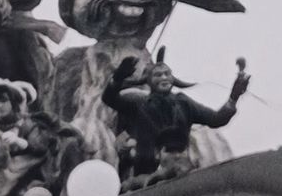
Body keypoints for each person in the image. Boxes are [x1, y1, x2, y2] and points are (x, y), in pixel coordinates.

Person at [102, 54, 250, 183]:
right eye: (158, 75)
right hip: (145, 176)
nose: (164, 77)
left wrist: (234, 97)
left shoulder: (184, 102)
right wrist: (118, 77)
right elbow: (109, 99)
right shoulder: (138, 103)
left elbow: (216, 119)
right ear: (147, 80)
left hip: (181, 169)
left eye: (167, 74)